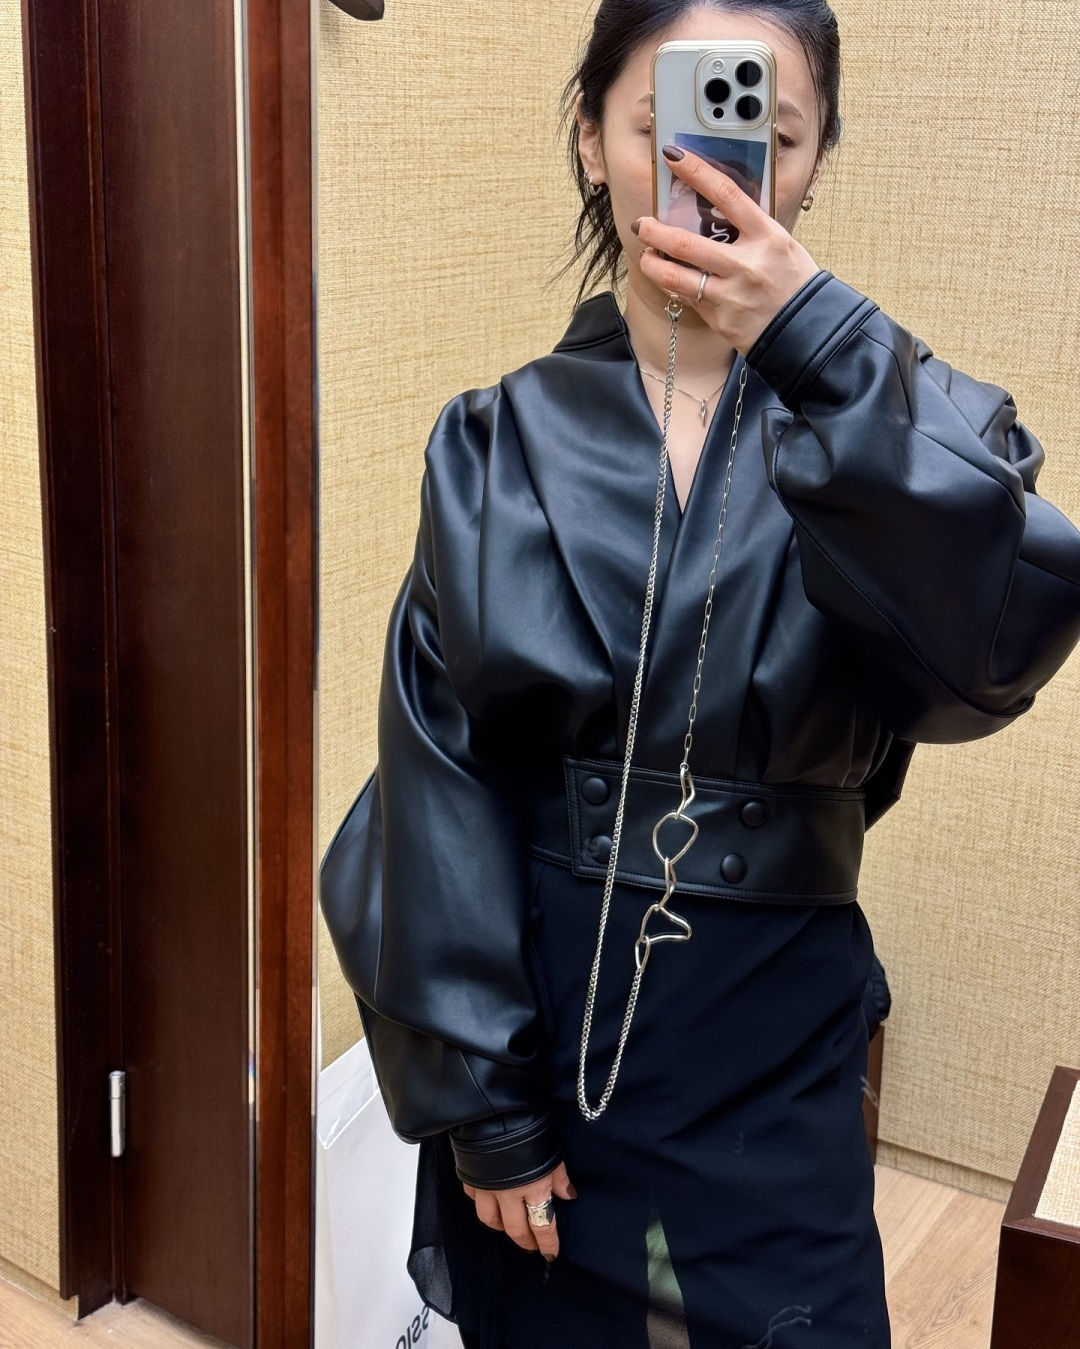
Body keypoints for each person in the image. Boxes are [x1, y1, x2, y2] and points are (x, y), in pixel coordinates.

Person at [319, 1, 1080, 1345]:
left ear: (815, 164)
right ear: (589, 139)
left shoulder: (899, 423)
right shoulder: (492, 443)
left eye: (770, 138)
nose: (717, 169)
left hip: (777, 1028)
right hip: (547, 1028)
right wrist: (487, 1105)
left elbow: (989, 656)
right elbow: (438, 775)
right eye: (662, 127)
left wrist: (822, 343)